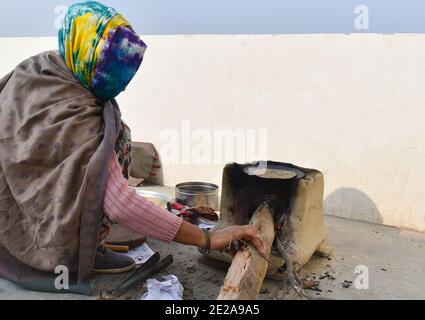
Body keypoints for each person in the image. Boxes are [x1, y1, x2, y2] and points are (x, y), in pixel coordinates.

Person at [0, 1, 265, 291]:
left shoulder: (38, 70)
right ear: (88, 55)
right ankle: (75, 252)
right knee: (116, 136)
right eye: (111, 71)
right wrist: (208, 238)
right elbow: (121, 205)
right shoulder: (79, 116)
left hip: (12, 220)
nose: (121, 86)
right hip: (47, 243)